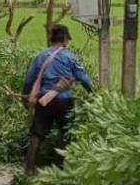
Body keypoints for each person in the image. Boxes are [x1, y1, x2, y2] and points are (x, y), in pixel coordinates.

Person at [21, 24, 94, 176]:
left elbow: (29, 79)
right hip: (63, 101)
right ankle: (68, 168)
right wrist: (95, 94)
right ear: (65, 39)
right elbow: (84, 79)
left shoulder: (41, 56)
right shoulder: (70, 57)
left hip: (43, 101)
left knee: (37, 133)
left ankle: (29, 168)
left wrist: (26, 95)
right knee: (68, 133)